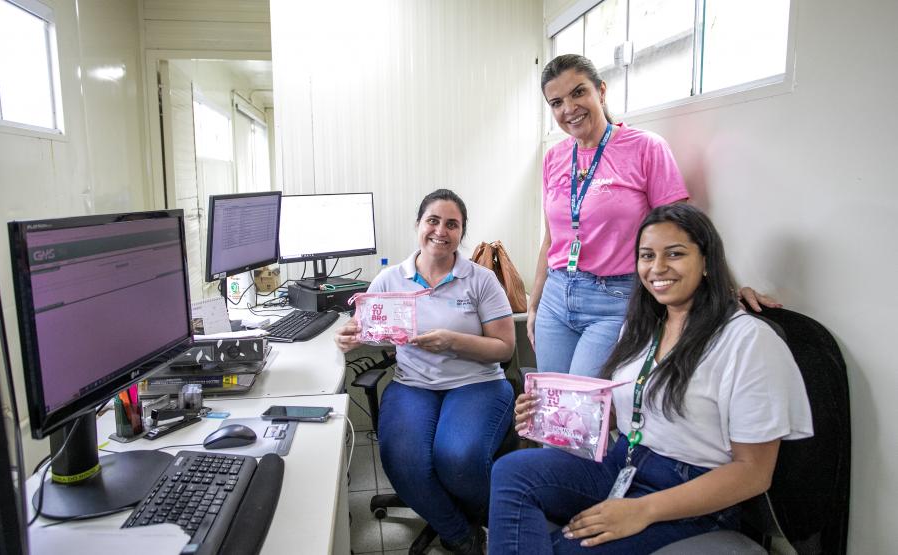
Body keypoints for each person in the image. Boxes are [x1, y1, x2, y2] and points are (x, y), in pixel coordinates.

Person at [488, 203, 813, 554]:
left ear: (706, 261)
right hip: (623, 462)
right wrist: (547, 415)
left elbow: (753, 473)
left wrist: (643, 510)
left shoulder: (748, 341)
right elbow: (626, 413)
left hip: (691, 491)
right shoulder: (643, 327)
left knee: (564, 548)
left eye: (674, 254)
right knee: (511, 472)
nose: (657, 268)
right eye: (646, 256)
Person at [528, 53, 778, 377]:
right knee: (553, 408)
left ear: (600, 91)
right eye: (556, 102)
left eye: (578, 92)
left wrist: (725, 287)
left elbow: (685, 229)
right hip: (556, 295)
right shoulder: (554, 158)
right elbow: (552, 238)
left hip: (615, 298)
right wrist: (534, 304)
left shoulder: (645, 147)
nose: (569, 109)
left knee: (586, 409)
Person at [335, 189, 516, 555]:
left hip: (476, 383)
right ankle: (462, 534)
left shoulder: (481, 280)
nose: (441, 231)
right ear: (418, 225)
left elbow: (505, 349)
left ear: (461, 233)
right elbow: (367, 330)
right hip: (413, 384)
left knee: (458, 458)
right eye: (432, 221)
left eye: (452, 224)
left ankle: (498, 516)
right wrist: (350, 337)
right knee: (403, 460)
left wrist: (453, 341)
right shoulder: (389, 280)